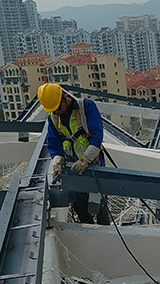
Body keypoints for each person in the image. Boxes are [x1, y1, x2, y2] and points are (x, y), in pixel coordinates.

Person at [38, 83, 111, 225]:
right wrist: (58, 161)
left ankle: (105, 234)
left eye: (58, 108)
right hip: (73, 169)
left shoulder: (86, 107)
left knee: (99, 205)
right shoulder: (53, 118)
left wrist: (86, 159)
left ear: (65, 98)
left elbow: (97, 135)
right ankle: (89, 232)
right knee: (79, 206)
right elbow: (54, 143)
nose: (57, 112)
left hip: (93, 165)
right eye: (54, 110)